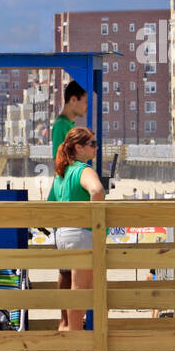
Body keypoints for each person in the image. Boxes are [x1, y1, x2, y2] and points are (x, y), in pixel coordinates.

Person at [48, 128, 105, 334]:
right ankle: (75, 335)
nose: (96, 147)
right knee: (81, 287)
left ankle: (65, 326)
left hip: (62, 234)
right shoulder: (83, 170)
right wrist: (95, 219)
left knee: (71, 283)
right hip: (82, 232)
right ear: (78, 147)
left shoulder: (61, 173)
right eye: (92, 144)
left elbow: (50, 204)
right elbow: (97, 191)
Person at [51, 80, 89, 329]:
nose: (87, 106)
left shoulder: (67, 125)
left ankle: (67, 321)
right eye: (85, 101)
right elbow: (61, 163)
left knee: (68, 269)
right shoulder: (63, 126)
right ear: (73, 99)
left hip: (62, 198)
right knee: (70, 271)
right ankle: (67, 322)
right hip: (66, 202)